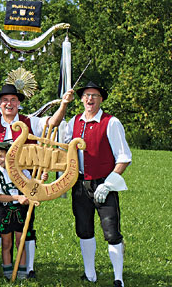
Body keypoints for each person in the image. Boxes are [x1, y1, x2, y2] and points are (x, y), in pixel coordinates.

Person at [0, 84, 73, 273]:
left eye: (13, 100)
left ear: (19, 103)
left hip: (24, 187)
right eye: (5, 100)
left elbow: (53, 123)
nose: (9, 104)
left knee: (26, 227)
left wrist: (63, 105)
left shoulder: (31, 121)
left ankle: (27, 267)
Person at [60, 81, 131, 287]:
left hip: (104, 183)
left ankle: (118, 278)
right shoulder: (74, 122)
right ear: (81, 99)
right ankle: (89, 274)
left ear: (101, 99)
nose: (90, 99)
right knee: (84, 229)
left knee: (111, 232)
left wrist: (108, 184)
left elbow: (124, 157)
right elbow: (63, 148)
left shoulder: (111, 122)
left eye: (94, 96)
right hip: (80, 184)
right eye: (86, 96)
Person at [0, 140, 37, 278]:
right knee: (6, 242)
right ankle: (8, 272)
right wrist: (17, 198)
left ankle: (22, 271)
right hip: (4, 213)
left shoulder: (23, 173)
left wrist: (40, 180)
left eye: (1, 155)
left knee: (21, 241)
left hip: (21, 212)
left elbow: (33, 188)